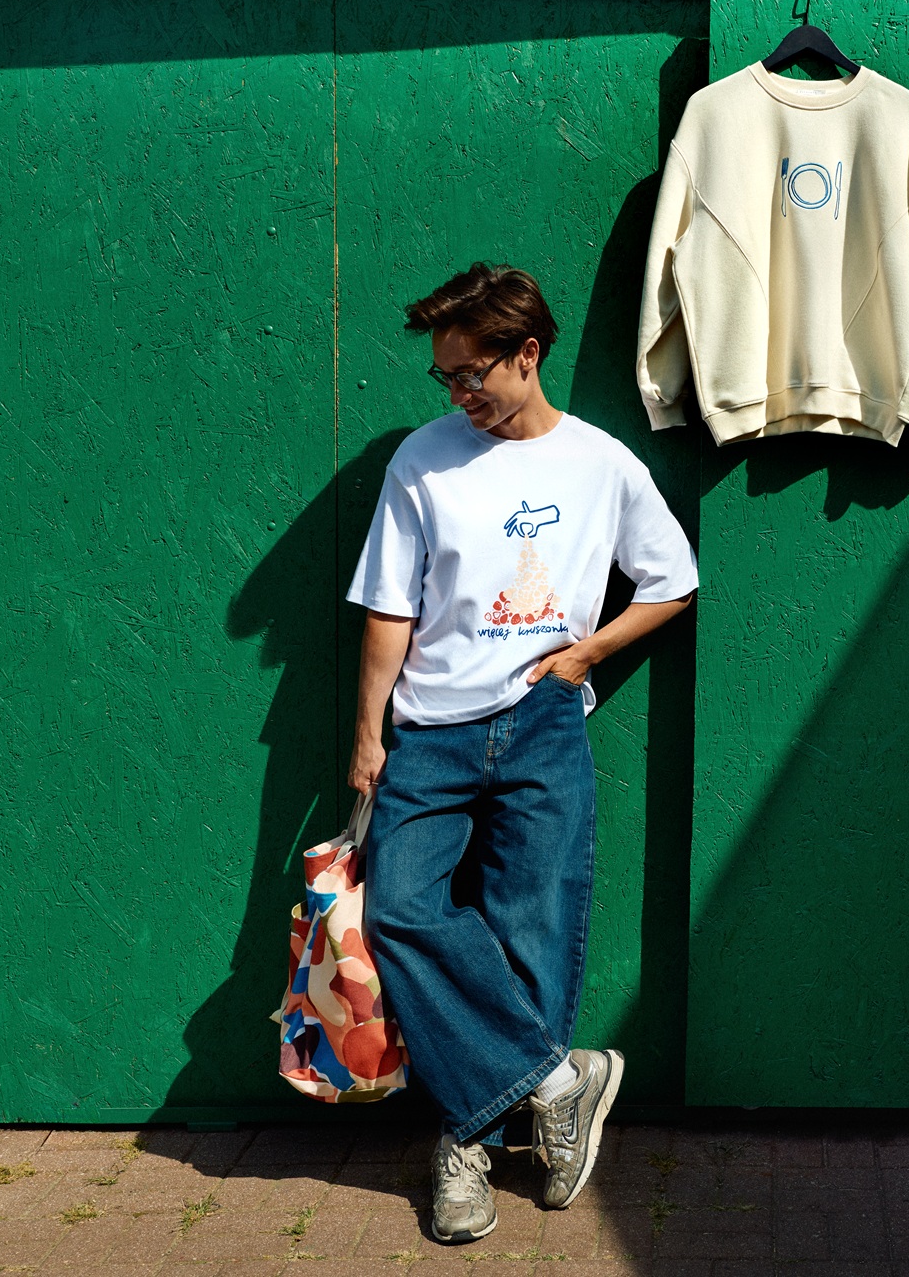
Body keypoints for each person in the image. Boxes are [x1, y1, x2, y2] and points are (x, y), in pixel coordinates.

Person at [345, 263, 698, 1244]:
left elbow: (671, 580)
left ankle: (472, 1146)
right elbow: (389, 607)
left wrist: (586, 654)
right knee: (401, 907)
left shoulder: (600, 464)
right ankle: (555, 1081)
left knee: (531, 929)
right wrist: (369, 731)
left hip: (543, 717)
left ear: (527, 354)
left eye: (472, 373)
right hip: (431, 726)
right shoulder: (423, 459)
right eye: (446, 376)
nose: (458, 393)